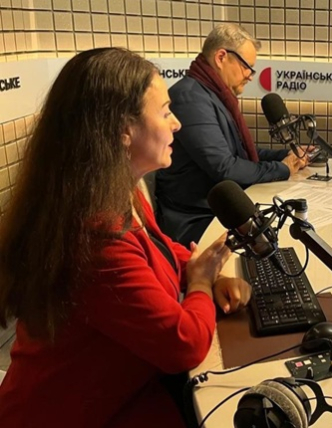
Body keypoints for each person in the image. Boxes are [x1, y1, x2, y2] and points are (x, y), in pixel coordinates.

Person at [0, 48, 251, 427]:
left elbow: (160, 251)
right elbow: (182, 345)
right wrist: (201, 283)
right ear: (122, 130)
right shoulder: (97, 233)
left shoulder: (117, 192)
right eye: (164, 112)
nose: (177, 124)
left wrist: (204, 271)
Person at [155, 23, 309, 247]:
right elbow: (224, 168)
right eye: (247, 67)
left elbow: (240, 153)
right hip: (196, 221)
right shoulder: (190, 98)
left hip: (214, 211)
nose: (250, 76)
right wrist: (282, 169)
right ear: (221, 57)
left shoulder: (212, 94)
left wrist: (285, 155)